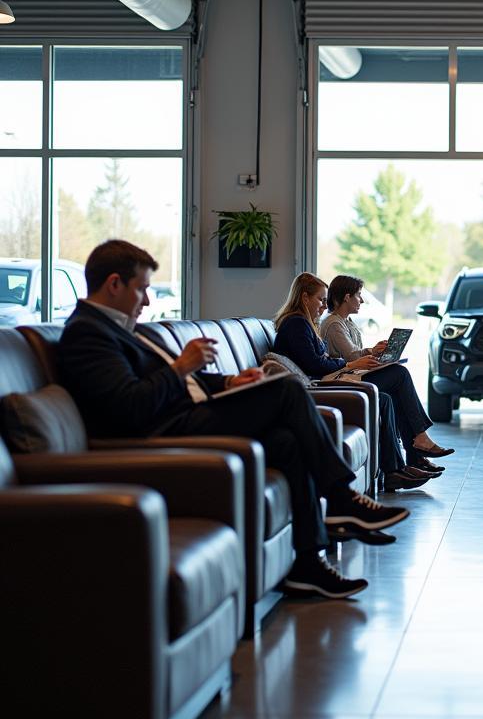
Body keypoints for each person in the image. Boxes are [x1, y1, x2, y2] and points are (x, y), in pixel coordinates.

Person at [57, 240, 409, 602]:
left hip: (187, 412)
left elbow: (174, 382)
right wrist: (180, 367)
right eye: (141, 289)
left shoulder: (117, 327)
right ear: (114, 284)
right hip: (166, 431)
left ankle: (306, 565)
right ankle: (340, 497)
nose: (147, 300)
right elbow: (129, 406)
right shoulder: (87, 333)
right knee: (287, 392)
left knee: (287, 443)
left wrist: (227, 381)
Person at [271, 273, 450, 490]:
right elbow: (315, 365)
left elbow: (319, 360)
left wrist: (354, 359)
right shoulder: (297, 324)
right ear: (304, 298)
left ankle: (398, 468)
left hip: (327, 379)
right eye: (320, 300)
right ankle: (414, 450)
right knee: (399, 375)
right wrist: (347, 365)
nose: (323, 306)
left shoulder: (306, 323)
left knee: (385, 397)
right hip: (322, 384)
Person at [320, 274, 453, 472]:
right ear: (346, 297)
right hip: (347, 378)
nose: (362, 300)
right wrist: (369, 353)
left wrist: (373, 352)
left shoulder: (346, 323)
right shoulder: (333, 323)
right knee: (400, 374)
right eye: (358, 295)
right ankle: (420, 438)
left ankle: (415, 457)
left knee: (396, 393)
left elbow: (355, 354)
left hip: (355, 374)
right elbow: (350, 356)